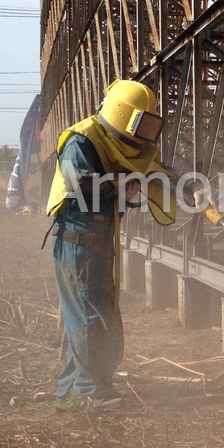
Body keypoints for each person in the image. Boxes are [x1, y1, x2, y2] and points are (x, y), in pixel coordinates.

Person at [46, 79, 184, 405]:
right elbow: (81, 184)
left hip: (93, 241)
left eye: (152, 127)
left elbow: (153, 167)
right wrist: (127, 182)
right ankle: (92, 391)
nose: (145, 136)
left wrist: (184, 185)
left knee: (86, 314)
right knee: (92, 316)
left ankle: (71, 387)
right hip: (79, 243)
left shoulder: (116, 144)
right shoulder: (82, 140)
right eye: (142, 125)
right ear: (122, 116)